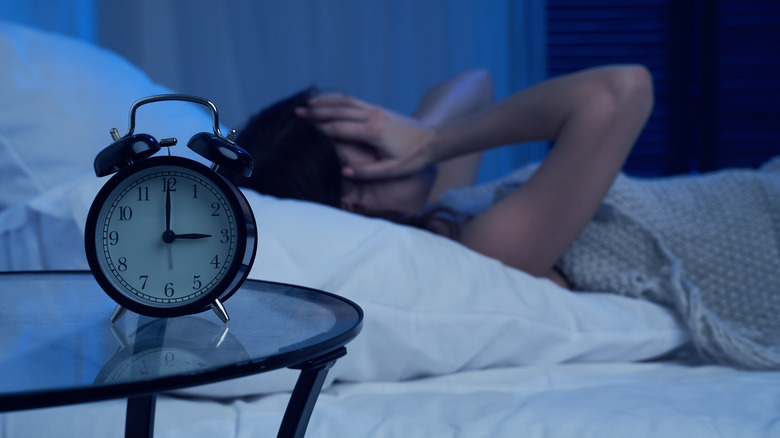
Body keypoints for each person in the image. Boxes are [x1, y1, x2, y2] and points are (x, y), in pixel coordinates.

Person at [227, 65, 780, 370]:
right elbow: (621, 90)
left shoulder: (439, 207)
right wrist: (433, 142)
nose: (393, 135)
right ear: (354, 203)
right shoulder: (485, 248)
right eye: (371, 143)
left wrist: (424, 135)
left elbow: (472, 84)